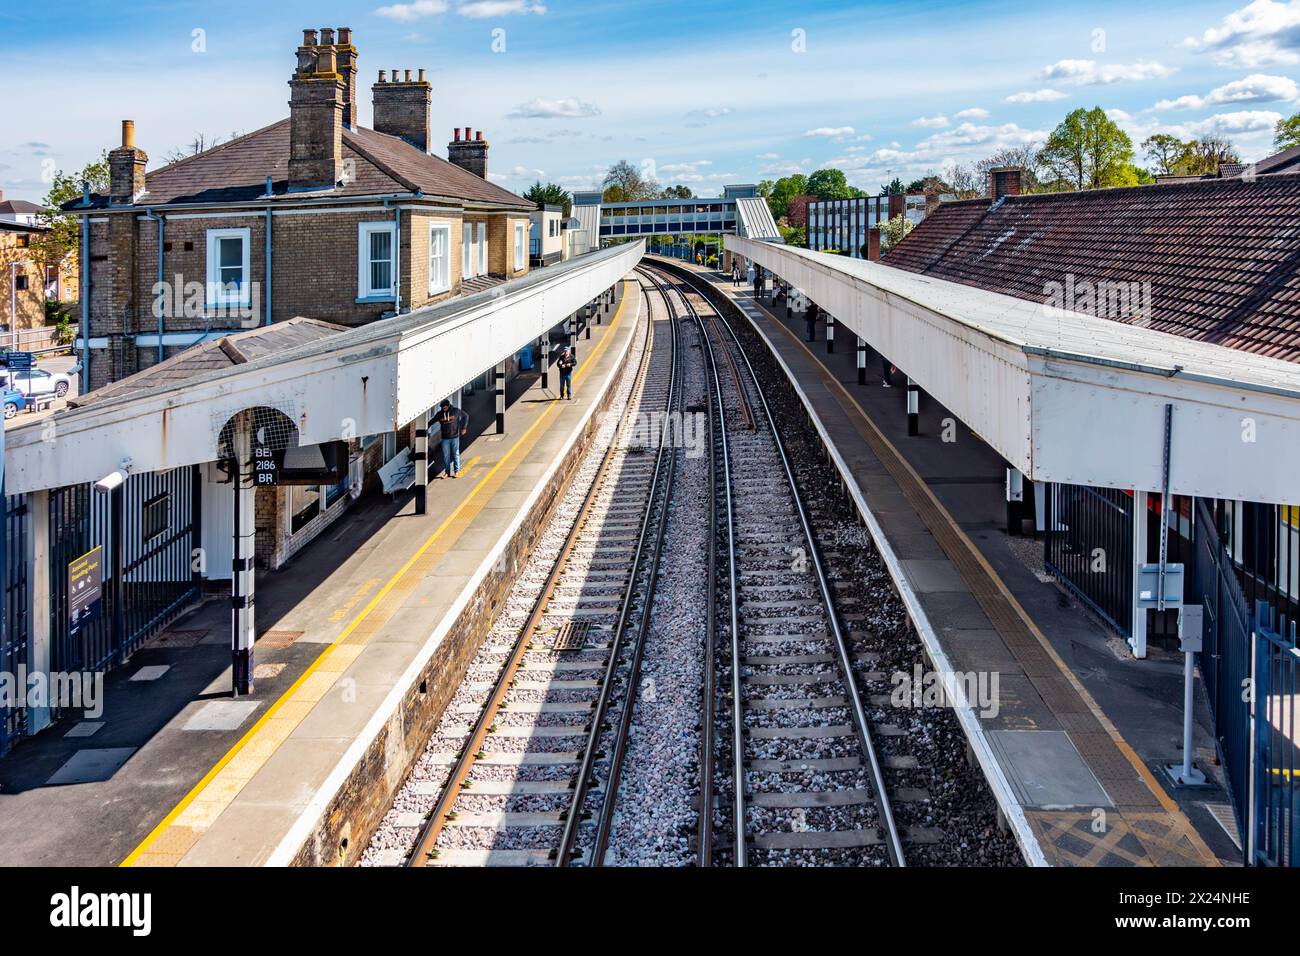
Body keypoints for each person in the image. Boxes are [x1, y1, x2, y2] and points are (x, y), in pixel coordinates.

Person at [435, 398, 468, 478]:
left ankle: (456, 471)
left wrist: (464, 428)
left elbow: (466, 416)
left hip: (455, 437)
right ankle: (447, 472)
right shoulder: (440, 414)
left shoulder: (456, 411)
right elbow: (431, 421)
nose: (444, 409)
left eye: (445, 408)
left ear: (448, 406)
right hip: (445, 438)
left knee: (456, 454)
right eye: (442, 408)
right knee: (446, 456)